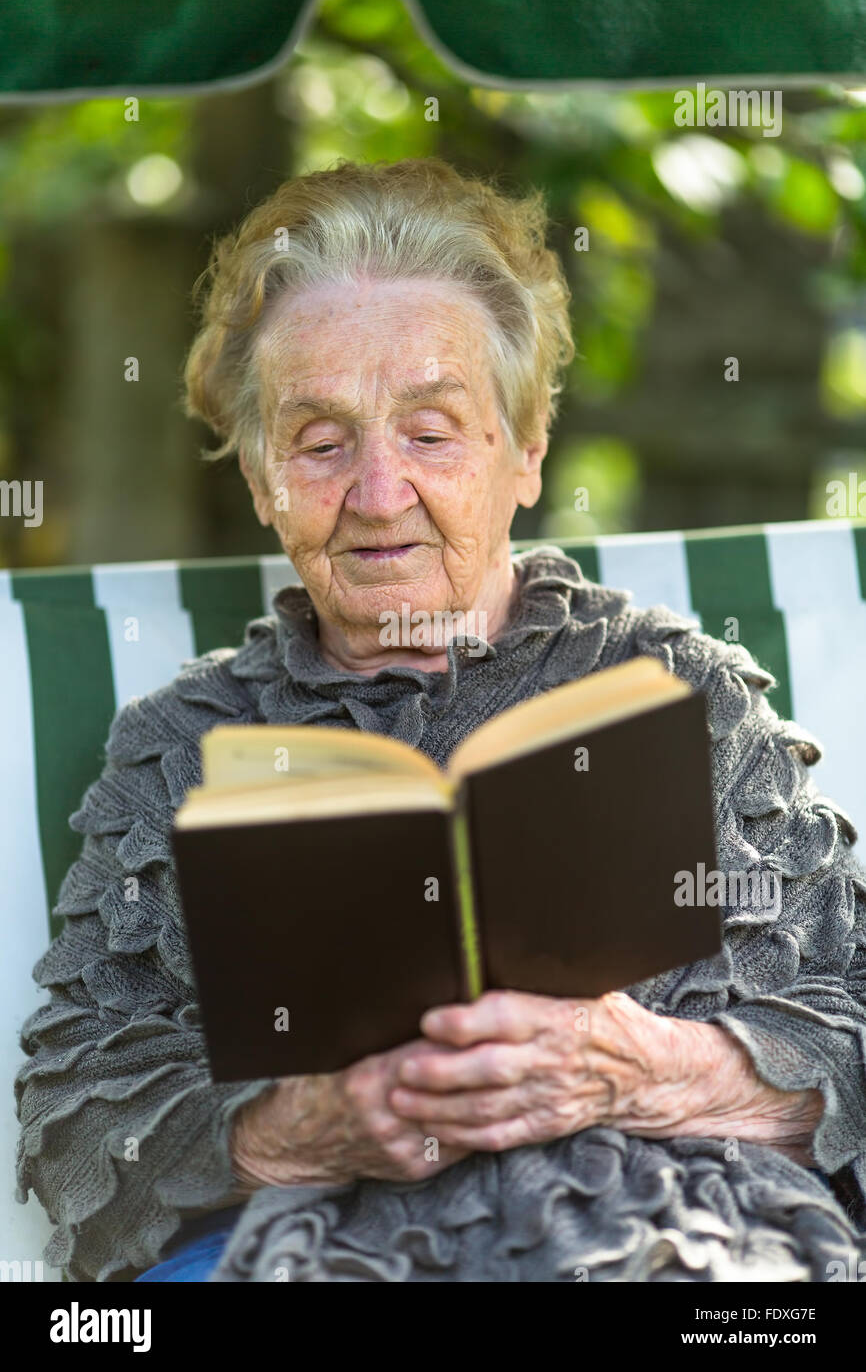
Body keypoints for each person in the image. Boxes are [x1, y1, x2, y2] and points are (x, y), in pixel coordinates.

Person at [15, 157, 866, 1282]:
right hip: (322, 1248)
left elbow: (845, 1020)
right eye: (321, 443)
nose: (376, 494)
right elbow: (79, 1108)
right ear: (264, 479)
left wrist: (644, 1067)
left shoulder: (674, 692)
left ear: (524, 452)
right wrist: (303, 1125)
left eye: (430, 431)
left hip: (671, 1241)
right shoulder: (183, 751)